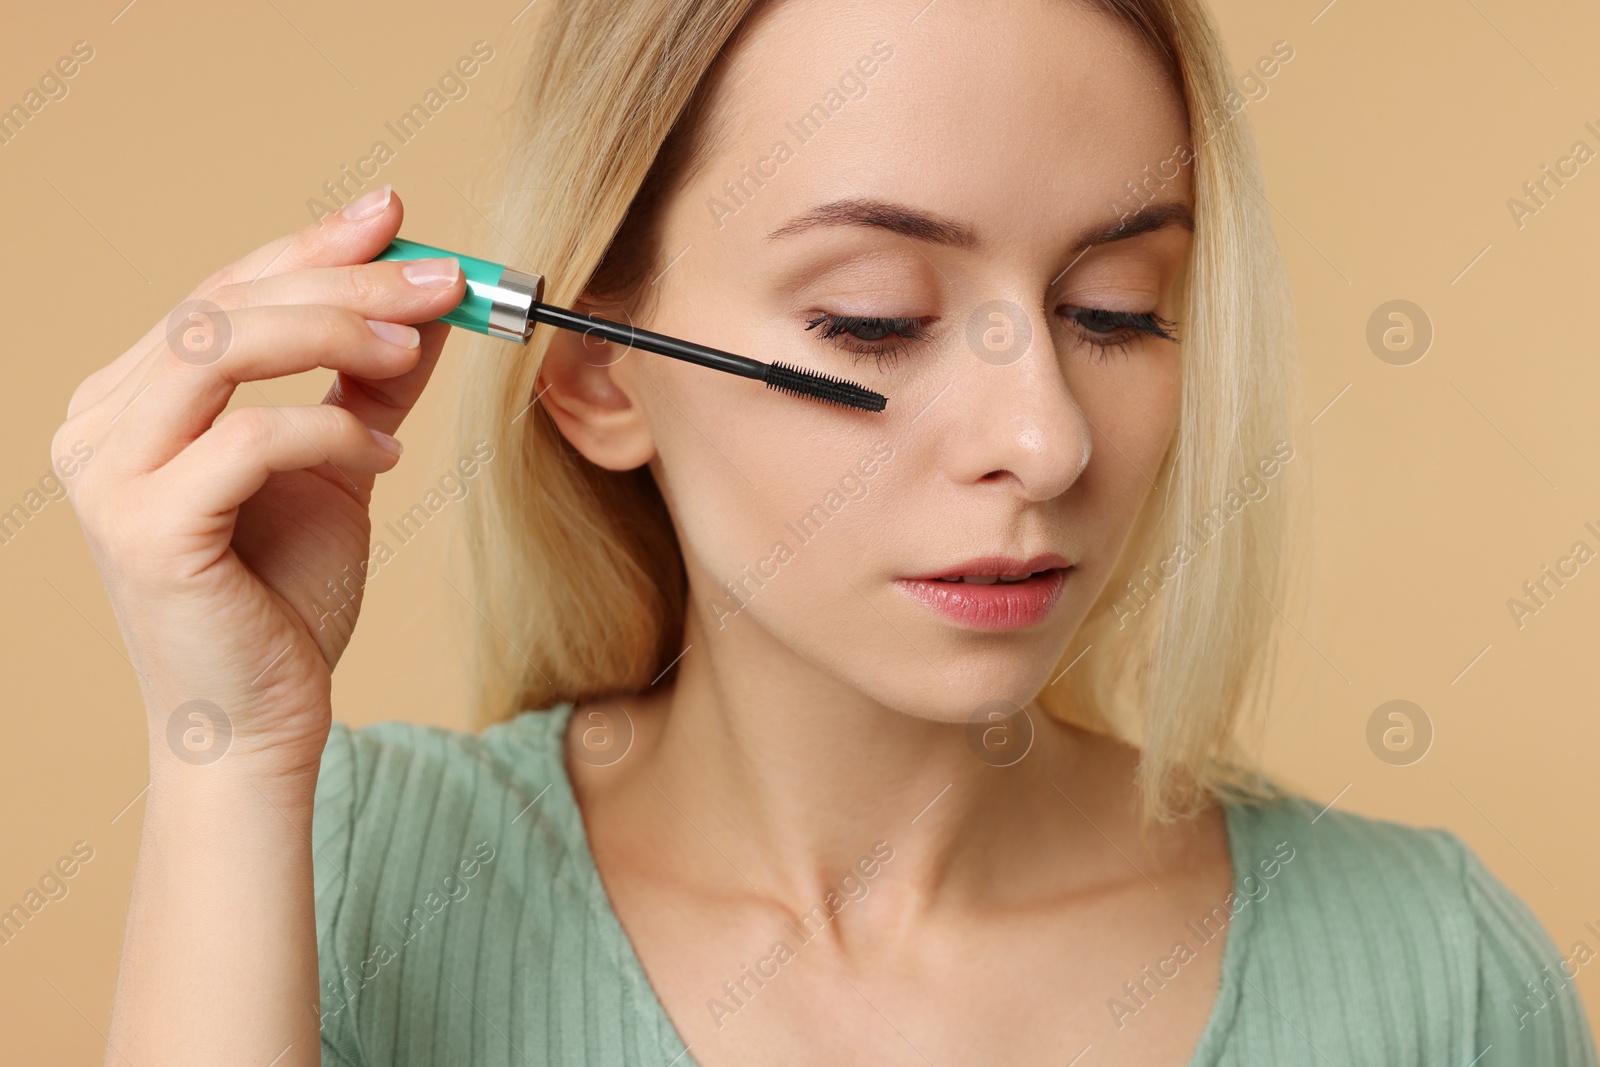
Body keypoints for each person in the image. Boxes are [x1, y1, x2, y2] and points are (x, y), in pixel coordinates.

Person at [60, 0, 1598, 1063]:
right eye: (874, 322)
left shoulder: (1434, 978)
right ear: (598, 372)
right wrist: (235, 749)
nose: (1043, 437)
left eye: (1117, 313)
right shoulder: (339, 877)